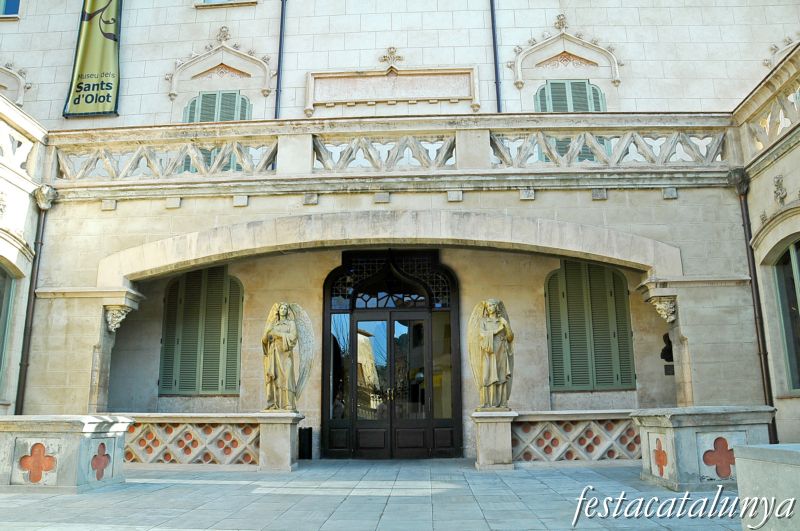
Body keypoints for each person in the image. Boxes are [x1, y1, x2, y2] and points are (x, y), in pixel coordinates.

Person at [262, 303, 298, 410]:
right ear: (278, 310)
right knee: (275, 378)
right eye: (281, 308)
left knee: (287, 377)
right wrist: (267, 333)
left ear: (287, 311)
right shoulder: (273, 324)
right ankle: (274, 403)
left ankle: (288, 404)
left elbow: (293, 337)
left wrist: (278, 334)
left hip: (286, 354)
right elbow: (264, 340)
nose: (283, 310)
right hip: (274, 354)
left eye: (285, 308)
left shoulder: (291, 323)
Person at [479, 299, 514, 408]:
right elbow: (482, 334)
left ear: (496, 307)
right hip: (488, 352)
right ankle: (487, 403)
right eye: (488, 306)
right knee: (487, 376)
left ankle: (502, 403)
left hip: (500, 351)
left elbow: (510, 338)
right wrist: (497, 331)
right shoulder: (483, 321)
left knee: (500, 376)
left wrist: (506, 325)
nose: (490, 307)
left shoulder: (502, 320)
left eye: (492, 305)